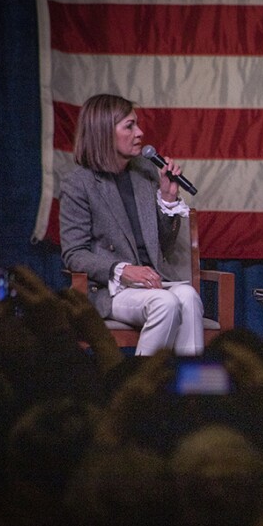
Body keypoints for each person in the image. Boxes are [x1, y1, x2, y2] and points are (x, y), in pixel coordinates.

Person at [59, 93, 204, 356]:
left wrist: (168, 198)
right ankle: (137, 389)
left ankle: (191, 391)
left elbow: (165, 245)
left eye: (137, 124)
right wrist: (121, 269)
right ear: (104, 132)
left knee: (189, 297)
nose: (140, 132)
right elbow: (74, 254)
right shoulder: (79, 184)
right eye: (129, 125)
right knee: (165, 304)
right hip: (110, 289)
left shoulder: (146, 173)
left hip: (153, 283)